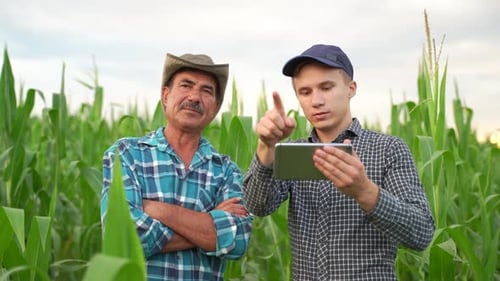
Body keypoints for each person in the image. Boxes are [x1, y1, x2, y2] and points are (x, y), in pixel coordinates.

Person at [242, 44, 435, 280]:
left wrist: (365, 191)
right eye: (305, 92)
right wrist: (266, 145)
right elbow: (257, 205)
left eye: (326, 87)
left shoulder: (388, 149)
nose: (316, 101)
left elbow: (422, 233)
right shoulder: (294, 151)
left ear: (351, 88)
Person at [100, 52, 253, 280]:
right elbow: (123, 235)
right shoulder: (126, 156)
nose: (194, 97)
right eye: (186, 85)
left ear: (216, 106)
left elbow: (238, 240)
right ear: (165, 94)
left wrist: (156, 209)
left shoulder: (226, 170)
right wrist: (211, 222)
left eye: (206, 90)